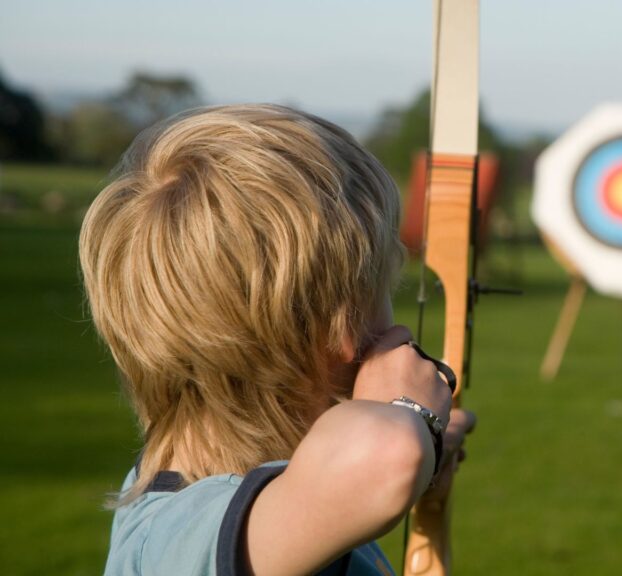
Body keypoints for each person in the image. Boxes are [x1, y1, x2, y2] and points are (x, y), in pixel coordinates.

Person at [79, 104, 475, 575]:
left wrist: (428, 441)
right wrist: (414, 415)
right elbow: (391, 455)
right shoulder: (181, 538)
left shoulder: (262, 500)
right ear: (341, 329)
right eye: (382, 290)